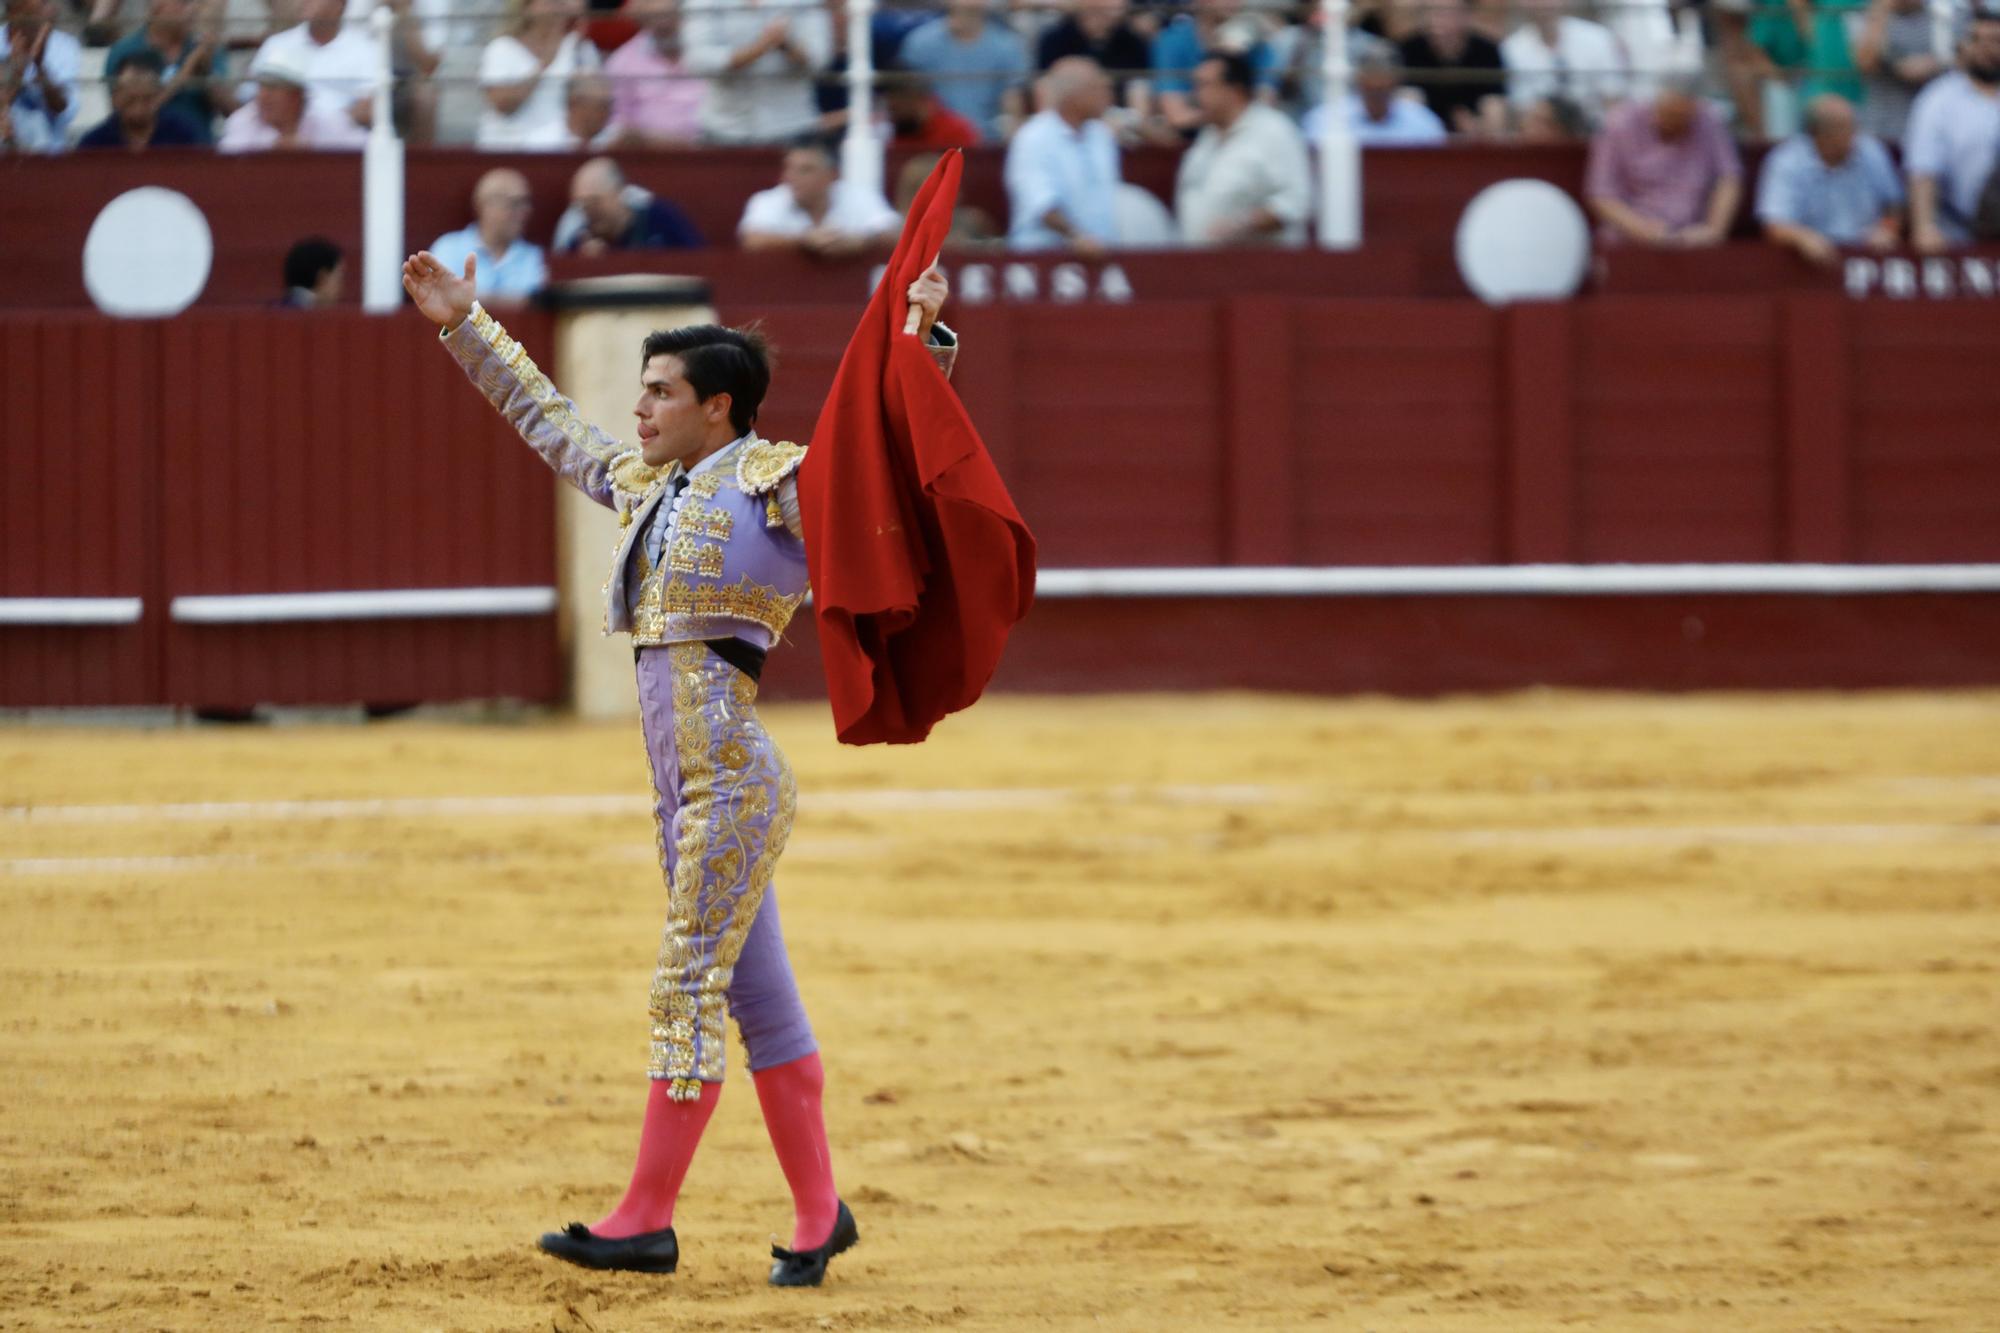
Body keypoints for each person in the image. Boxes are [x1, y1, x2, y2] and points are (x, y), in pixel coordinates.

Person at [398, 240, 959, 1288]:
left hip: (730, 784)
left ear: (720, 408)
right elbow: (548, 421)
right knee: (762, 1002)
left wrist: (921, 336)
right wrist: (463, 323)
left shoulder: (777, 483)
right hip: (684, 791)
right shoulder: (647, 485)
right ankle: (816, 1211)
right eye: (642, 390)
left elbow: (881, 457)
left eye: (660, 391)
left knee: (685, 986)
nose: (641, 408)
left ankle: (646, 1217)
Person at [1584, 76, 1742, 246]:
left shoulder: (1709, 120)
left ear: (1695, 109)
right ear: (1654, 103)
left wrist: (1714, 230)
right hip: (1629, 240)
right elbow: (1600, 193)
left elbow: (1730, 178)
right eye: (1668, 113)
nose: (1672, 122)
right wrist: (1643, 229)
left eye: (1682, 116)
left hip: (1693, 237)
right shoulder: (1620, 123)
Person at [1175, 51, 1309, 245]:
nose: (1195, 94)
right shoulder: (1207, 137)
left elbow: (1295, 202)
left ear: (1234, 91)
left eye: (1203, 85)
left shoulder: (1273, 131)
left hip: (1256, 268)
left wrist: (1243, 225)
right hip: (1203, 266)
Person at [1756, 92, 1903, 263]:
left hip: (1866, 256)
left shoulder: (1871, 150)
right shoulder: (1786, 161)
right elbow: (1774, 223)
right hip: (1807, 262)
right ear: (1819, 135)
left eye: (1854, 126)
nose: (1855, 135)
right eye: (1845, 128)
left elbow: (1894, 205)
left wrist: (1887, 229)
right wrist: (1801, 237)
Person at [1905, 8, 2000, 251]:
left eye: (1995, 41)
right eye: (1977, 40)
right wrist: (1924, 227)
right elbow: (1923, 169)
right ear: (1964, 46)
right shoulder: (1939, 99)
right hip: (1958, 233)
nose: (1987, 48)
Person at [1006, 55, 1120, 253]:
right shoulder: (1034, 138)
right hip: (1042, 259)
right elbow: (1041, 204)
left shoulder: (1101, 135)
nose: (1108, 96)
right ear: (1074, 95)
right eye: (1099, 89)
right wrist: (1077, 237)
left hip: (1101, 254)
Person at [682, 0, 829, 144]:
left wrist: (786, 45)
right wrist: (759, 48)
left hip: (794, 127)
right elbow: (698, 61)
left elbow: (819, 58)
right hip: (724, 129)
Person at [739, 136, 900, 257]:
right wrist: (803, 241)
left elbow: (896, 234)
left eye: (805, 170)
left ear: (831, 175)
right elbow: (751, 240)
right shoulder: (767, 200)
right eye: (789, 168)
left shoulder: (859, 196)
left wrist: (861, 242)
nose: (791, 177)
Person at [897, 0, 1030, 141]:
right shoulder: (919, 43)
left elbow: (1013, 104)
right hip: (933, 143)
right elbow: (907, 102)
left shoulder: (1009, 47)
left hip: (988, 144)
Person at [478, 0, 600, 149]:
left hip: (566, 145)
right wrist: (541, 67)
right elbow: (502, 104)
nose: (556, 7)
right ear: (527, 7)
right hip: (510, 146)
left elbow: (595, 102)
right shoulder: (501, 48)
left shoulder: (581, 48)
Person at [103, 0, 226, 143]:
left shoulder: (205, 49)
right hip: (146, 152)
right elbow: (127, 111)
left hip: (198, 150)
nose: (193, 9)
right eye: (184, 3)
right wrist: (189, 66)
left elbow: (229, 111)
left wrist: (206, 71)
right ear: (157, 5)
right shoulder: (124, 50)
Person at [245, 0, 374, 133]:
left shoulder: (366, 50)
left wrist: (326, 126)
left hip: (339, 142)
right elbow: (251, 97)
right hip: (279, 138)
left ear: (340, 4)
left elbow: (369, 106)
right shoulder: (276, 44)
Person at [1151, 0, 1275, 133]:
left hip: (1246, 135)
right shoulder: (1172, 40)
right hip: (1192, 137)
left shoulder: (1258, 43)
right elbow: (1177, 116)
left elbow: (1263, 107)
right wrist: (1229, 113)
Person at [429, 168, 548, 305]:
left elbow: (534, 303)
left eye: (526, 203)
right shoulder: (448, 247)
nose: (524, 212)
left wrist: (469, 300)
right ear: (484, 206)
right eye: (514, 204)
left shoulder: (532, 256)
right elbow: (440, 299)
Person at [1501, 0, 1626, 128]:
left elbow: (1614, 97)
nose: (1543, 4)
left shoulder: (1599, 38)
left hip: (1597, 132)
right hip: (1543, 134)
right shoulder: (1511, 49)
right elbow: (1520, 107)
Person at [1304, 39, 1447, 145]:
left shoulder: (1423, 123)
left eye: (1384, 85)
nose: (1377, 86)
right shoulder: (1325, 121)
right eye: (1370, 83)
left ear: (1397, 81)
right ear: (1358, 79)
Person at [216, 48, 366, 149]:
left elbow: (367, 149)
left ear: (297, 95)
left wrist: (316, 150)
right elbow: (228, 164)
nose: (264, 96)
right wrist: (272, 148)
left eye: (273, 87)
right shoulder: (243, 121)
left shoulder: (328, 120)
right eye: (261, 86)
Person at [555, 155, 702, 255]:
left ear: (619, 192)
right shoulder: (580, 243)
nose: (590, 212)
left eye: (595, 202)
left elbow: (700, 259)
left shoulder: (662, 218)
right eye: (583, 205)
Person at [604, 0, 703, 146]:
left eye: (671, 18)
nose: (665, 26)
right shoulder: (623, 61)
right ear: (643, 23)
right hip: (649, 156)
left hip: (712, 150)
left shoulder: (706, 51)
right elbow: (618, 126)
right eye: (657, 20)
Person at [1397, 0, 1504, 135]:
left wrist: (1479, 127)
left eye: (1449, 13)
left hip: (1473, 139)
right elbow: (1404, 109)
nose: (1439, 21)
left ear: (1467, 16)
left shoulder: (1487, 51)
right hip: (1421, 139)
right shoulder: (1409, 48)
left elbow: (1495, 106)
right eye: (1434, 12)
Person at [1848, 0, 1949, 142]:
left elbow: (1959, 60)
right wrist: (1881, 9)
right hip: (1882, 131)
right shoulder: (1867, 14)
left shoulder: (1943, 11)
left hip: (1933, 132)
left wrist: (1935, 65)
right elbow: (1865, 62)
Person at [78, 46, 206, 147]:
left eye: (147, 100)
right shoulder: (94, 143)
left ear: (158, 95)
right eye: (130, 101)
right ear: (115, 97)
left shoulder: (184, 136)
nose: (138, 109)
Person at [1037, 0, 1151, 112]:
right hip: (1070, 111)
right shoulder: (1056, 38)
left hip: (1119, 113)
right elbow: (1045, 81)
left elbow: (1138, 82)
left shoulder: (1131, 40)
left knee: (1139, 85)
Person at [1, 0, 82, 151]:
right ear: (13, 13)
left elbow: (62, 108)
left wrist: (40, 66)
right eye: (38, 8)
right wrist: (18, 68)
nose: (50, 11)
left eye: (47, 3)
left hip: (49, 154)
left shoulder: (66, 45)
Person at [882, 68, 981, 149]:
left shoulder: (956, 131)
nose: (893, 116)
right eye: (891, 109)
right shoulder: (890, 133)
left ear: (918, 99)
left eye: (896, 108)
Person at [520, 67, 616, 148]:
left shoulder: (615, 140)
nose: (606, 113)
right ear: (573, 104)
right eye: (601, 106)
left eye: (609, 105)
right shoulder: (540, 143)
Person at [279, 235, 343, 307]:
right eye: (339, 279)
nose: (341, 289)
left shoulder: (273, 309)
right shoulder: (313, 311)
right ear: (322, 277)